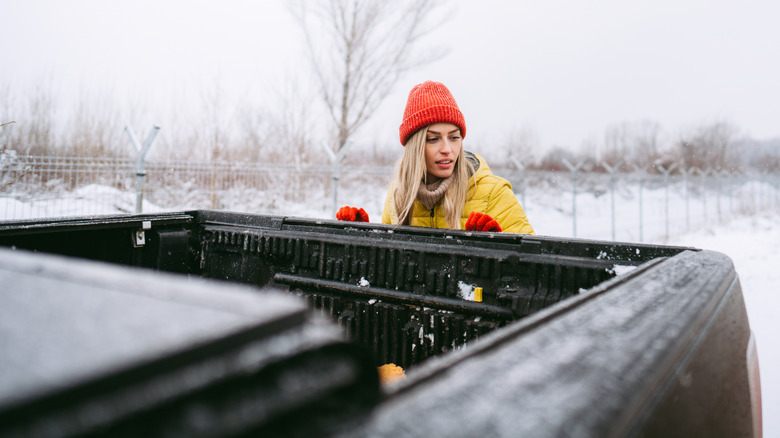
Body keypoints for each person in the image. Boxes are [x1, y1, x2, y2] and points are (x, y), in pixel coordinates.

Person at [337, 80, 534, 235]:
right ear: (415, 148)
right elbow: (391, 269)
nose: (447, 149)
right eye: (433, 139)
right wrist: (361, 241)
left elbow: (531, 264)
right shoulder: (398, 195)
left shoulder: (493, 193)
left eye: (454, 138)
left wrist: (496, 250)